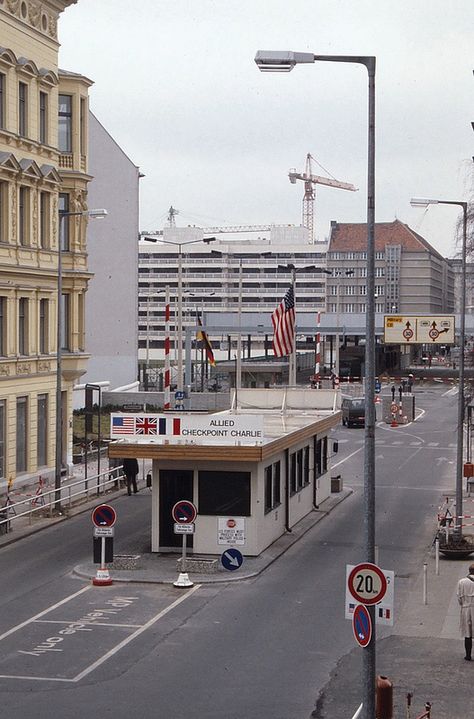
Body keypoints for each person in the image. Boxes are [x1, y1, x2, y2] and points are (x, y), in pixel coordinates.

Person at [457, 563, 474, 660]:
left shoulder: (462, 582)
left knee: (468, 633)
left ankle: (468, 655)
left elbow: (459, 597)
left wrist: (463, 604)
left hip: (466, 608)